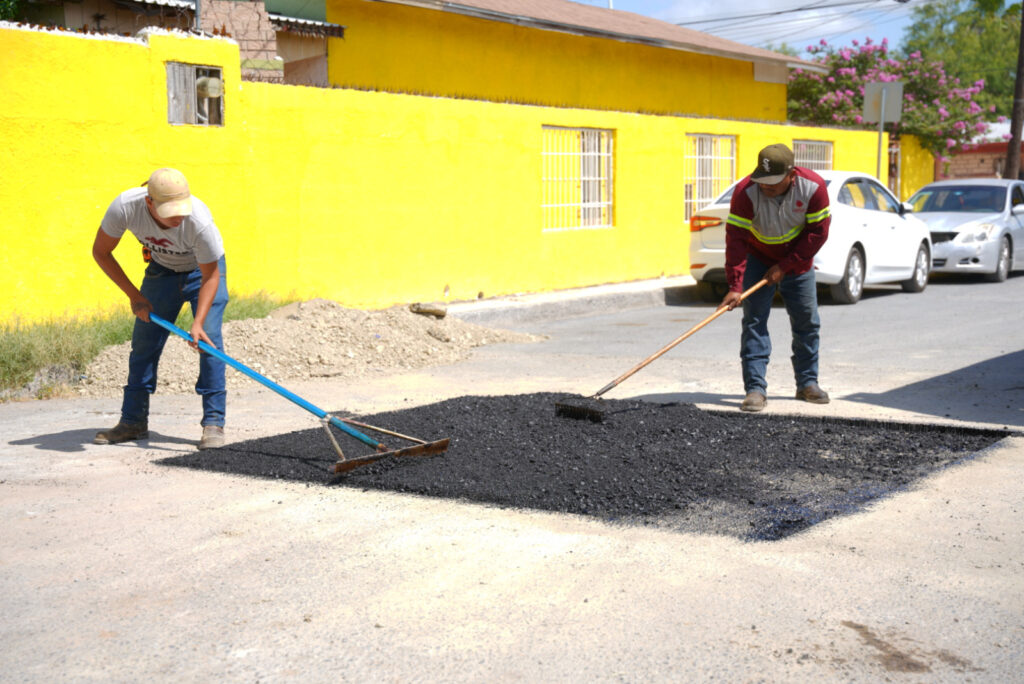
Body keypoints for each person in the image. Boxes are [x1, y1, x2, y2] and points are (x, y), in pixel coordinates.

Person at [91, 168, 229, 448]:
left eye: (181, 209)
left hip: (202, 275)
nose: (178, 217)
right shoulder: (125, 207)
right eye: (170, 211)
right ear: (149, 203)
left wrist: (198, 322)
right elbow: (101, 252)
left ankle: (213, 424)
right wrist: (134, 296)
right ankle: (132, 422)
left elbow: (211, 276)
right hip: (161, 272)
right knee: (143, 345)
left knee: (209, 342)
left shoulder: (199, 221)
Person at [720, 144, 831, 413]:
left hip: (798, 259)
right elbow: (736, 239)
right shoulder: (746, 192)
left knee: (807, 320)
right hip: (758, 257)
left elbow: (817, 233)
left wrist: (787, 265)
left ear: (791, 175)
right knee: (754, 321)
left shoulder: (813, 188)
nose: (765, 188)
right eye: (762, 182)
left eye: (773, 184)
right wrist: (735, 285)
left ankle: (807, 383)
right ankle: (755, 389)